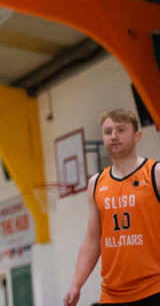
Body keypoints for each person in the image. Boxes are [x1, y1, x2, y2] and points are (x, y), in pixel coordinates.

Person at [63, 109, 160, 306]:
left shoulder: (155, 173)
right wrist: (76, 284)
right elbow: (92, 240)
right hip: (113, 295)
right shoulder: (96, 184)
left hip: (154, 287)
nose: (113, 136)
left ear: (137, 136)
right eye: (108, 132)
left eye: (121, 130)